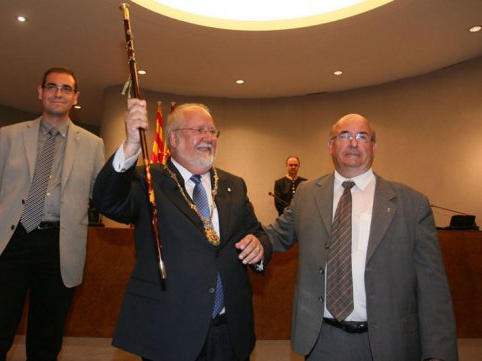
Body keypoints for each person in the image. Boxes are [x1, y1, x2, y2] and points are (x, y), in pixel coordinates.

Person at [265, 114, 457, 361]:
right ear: (330, 146)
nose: (353, 143)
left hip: (389, 343)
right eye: (344, 136)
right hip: (321, 341)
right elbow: (277, 234)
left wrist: (438, 353)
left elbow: (433, 288)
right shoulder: (307, 194)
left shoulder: (412, 204)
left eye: (362, 137)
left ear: (374, 147)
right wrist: (253, 242)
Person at [92, 100, 272, 361]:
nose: (208, 137)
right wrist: (131, 144)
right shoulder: (148, 181)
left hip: (229, 330)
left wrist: (260, 245)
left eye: (212, 131)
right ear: (173, 139)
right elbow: (107, 200)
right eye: (199, 130)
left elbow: (258, 233)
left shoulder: (234, 184)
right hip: (170, 328)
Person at [0, 67, 105, 360]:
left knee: (46, 341)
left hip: (58, 249)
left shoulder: (93, 144)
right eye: (52, 86)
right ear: (40, 92)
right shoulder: (9, 135)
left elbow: (104, 196)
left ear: (75, 97)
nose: (58, 93)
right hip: (7, 245)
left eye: (66, 88)